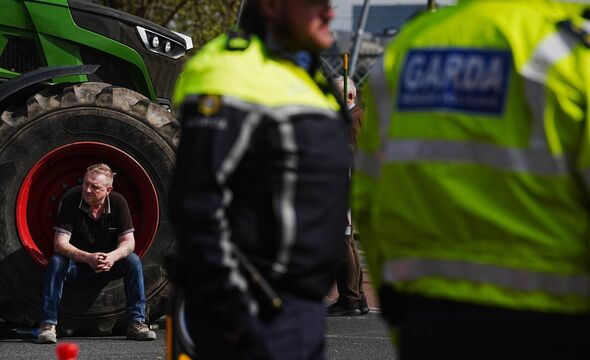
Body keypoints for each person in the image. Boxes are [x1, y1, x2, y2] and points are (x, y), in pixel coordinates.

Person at [353, 1, 590, 359]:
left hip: (430, 320)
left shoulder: (407, 49)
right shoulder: (567, 52)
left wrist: (400, 307)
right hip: (556, 322)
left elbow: (369, 195)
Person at [170, 0, 350, 358]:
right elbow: (197, 201)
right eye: (318, 4)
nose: (330, 13)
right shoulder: (232, 70)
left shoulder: (305, 75)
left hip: (301, 306)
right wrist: (234, 306)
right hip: (256, 310)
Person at [36, 163, 156, 344]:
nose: (87, 190)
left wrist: (112, 257)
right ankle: (47, 325)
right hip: (77, 265)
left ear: (108, 190)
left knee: (133, 261)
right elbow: (60, 243)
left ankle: (137, 323)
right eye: (85, 184)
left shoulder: (118, 202)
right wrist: (88, 258)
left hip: (106, 265)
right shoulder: (71, 199)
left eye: (95, 187)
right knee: (56, 261)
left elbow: (129, 243)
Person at [327, 76, 369, 316]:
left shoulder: (352, 122)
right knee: (347, 241)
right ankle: (356, 296)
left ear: (349, 96)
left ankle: (350, 298)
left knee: (342, 241)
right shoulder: (353, 119)